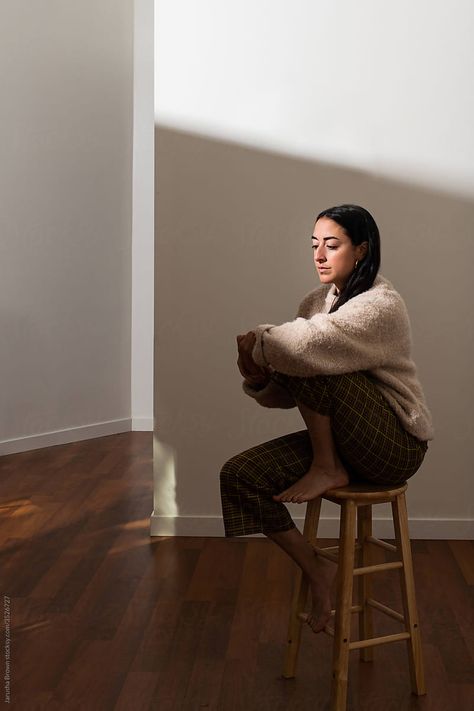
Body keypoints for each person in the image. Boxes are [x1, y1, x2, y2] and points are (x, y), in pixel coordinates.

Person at [219, 203, 434, 634]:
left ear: (361, 250)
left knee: (312, 353)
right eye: (314, 245)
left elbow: (308, 349)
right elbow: (293, 389)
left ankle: (326, 466)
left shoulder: (381, 303)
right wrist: (261, 375)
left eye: (331, 245)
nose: (318, 255)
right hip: (344, 438)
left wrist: (262, 339)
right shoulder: (317, 302)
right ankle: (317, 571)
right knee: (240, 475)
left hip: (394, 445)